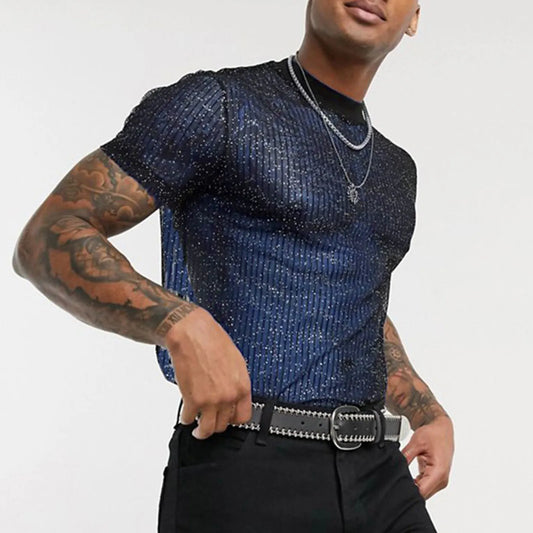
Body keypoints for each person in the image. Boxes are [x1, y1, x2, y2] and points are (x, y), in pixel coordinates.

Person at [12, 0, 455, 531]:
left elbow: (350, 304)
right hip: (247, 464)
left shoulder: (396, 169)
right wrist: (180, 322)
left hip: (379, 475)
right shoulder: (216, 106)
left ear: (414, 17)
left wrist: (425, 408)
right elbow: (47, 235)